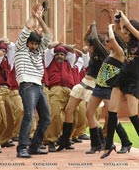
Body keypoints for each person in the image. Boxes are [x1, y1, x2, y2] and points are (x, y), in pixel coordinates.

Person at [56, 22, 108, 152]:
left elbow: (95, 39)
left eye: (89, 46)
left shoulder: (103, 53)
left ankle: (97, 142)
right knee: (69, 109)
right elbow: (87, 39)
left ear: (95, 46)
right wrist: (89, 29)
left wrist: (95, 26)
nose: (87, 48)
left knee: (89, 114)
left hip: (93, 86)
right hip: (83, 83)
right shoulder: (92, 52)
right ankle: (65, 140)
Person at [85, 23, 132, 155]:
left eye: (107, 41)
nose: (106, 43)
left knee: (112, 118)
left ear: (114, 42)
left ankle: (126, 142)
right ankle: (96, 144)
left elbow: (111, 38)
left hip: (109, 89)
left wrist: (111, 27)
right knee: (89, 112)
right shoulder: (109, 53)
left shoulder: (120, 53)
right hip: (99, 87)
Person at [14, 3, 52, 158]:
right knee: (29, 115)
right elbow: (26, 29)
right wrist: (32, 17)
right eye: (32, 43)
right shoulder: (20, 48)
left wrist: (40, 19)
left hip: (38, 85)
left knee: (46, 118)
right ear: (27, 42)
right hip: (27, 84)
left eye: (36, 43)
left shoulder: (39, 50)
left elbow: (48, 35)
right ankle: (22, 147)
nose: (34, 46)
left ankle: (34, 146)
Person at [101, 11, 139, 159]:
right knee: (111, 110)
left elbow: (130, 28)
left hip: (134, 80)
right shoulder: (128, 43)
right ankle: (109, 144)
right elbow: (117, 31)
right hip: (122, 77)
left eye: (127, 33)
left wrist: (124, 18)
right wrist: (117, 22)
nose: (125, 34)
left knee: (133, 114)